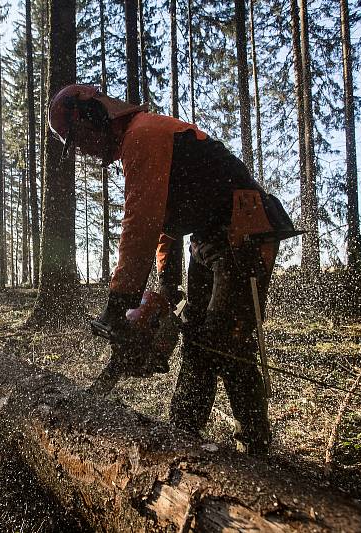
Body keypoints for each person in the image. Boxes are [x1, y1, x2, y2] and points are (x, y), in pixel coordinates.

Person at [47, 84, 299, 454]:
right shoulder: (140, 141)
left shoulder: (143, 134)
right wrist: (166, 288)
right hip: (208, 239)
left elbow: (141, 222)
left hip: (244, 230)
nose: (83, 149)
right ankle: (184, 434)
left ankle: (250, 446)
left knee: (221, 340)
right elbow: (164, 224)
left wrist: (120, 303)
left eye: (80, 138)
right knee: (199, 334)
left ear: (93, 116)